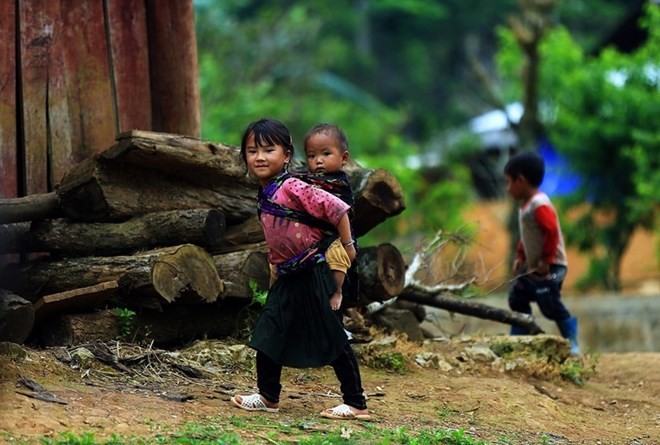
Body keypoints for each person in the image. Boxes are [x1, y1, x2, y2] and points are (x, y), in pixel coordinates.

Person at [230, 118, 371, 420]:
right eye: (252, 150)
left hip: (315, 271)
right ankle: (268, 397)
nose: (259, 157)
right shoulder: (265, 192)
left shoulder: (293, 186)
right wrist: (274, 268)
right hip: (287, 274)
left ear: (286, 155)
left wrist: (347, 245)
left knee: (331, 334)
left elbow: (337, 209)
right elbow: (276, 235)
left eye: (269, 150)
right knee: (270, 331)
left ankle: (356, 402)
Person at [504, 151, 580, 355]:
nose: (507, 188)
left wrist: (547, 260)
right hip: (534, 265)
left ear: (521, 180)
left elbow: (551, 231)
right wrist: (520, 256)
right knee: (518, 296)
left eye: (509, 182)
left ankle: (571, 340)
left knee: (549, 301)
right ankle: (520, 335)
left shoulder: (539, 204)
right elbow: (528, 236)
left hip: (552, 265)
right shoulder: (525, 207)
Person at [303, 123, 359, 312]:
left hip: (338, 238)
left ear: (343, 158)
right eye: (312, 156)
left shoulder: (339, 184)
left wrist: (348, 244)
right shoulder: (307, 182)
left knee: (336, 259)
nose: (318, 161)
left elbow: (340, 212)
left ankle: (338, 291)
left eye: (326, 154)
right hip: (313, 239)